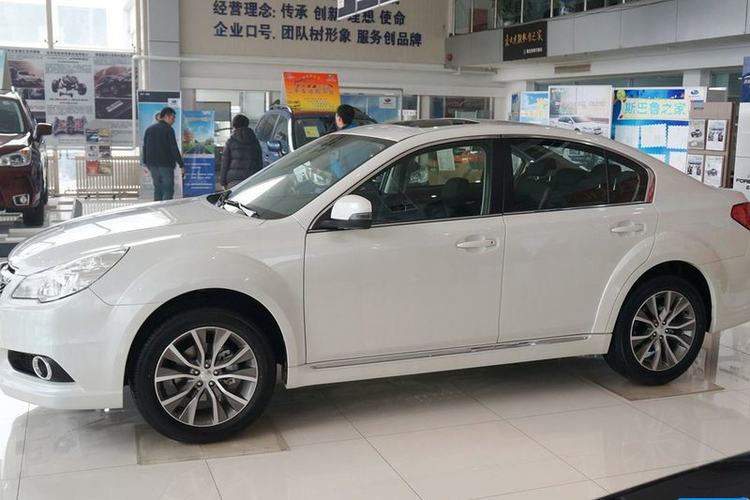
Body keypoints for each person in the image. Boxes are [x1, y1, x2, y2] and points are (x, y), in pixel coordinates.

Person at [141, 107, 184, 201]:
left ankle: (157, 208)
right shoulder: (168, 129)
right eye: (173, 118)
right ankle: (166, 208)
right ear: (166, 117)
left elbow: (145, 147)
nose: (174, 120)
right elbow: (173, 148)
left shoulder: (149, 129)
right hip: (165, 164)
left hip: (152, 165)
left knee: (158, 189)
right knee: (168, 189)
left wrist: (145, 162)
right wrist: (181, 164)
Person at [220, 114, 262, 190]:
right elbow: (259, 162)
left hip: (233, 180)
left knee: (234, 198)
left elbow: (225, 163)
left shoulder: (230, 141)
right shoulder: (254, 141)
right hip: (251, 178)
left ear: (234, 125)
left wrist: (223, 181)